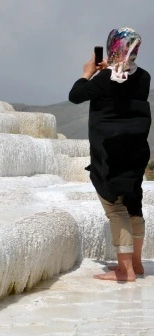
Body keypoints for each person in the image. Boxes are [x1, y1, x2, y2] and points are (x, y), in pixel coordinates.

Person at [69, 28, 151, 282]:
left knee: (116, 209)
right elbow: (123, 81)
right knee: (133, 205)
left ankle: (124, 271)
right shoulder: (145, 77)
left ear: (112, 48)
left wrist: (88, 73)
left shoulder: (104, 80)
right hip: (136, 150)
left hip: (110, 152)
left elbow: (75, 96)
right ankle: (136, 264)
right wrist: (110, 68)